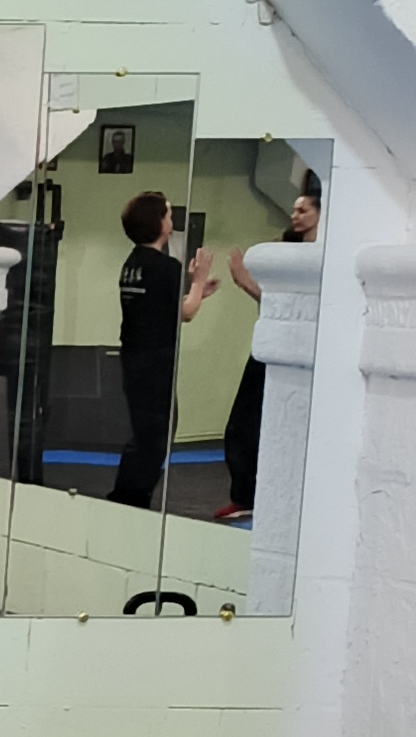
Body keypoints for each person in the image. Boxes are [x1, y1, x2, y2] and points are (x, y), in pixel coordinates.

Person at [215, 170, 322, 518]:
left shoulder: (322, 260)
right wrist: (247, 285)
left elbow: (299, 307)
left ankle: (272, 498)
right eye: (295, 209)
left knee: (281, 428)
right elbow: (277, 305)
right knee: (242, 425)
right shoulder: (289, 253)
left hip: (301, 349)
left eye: (303, 210)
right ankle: (246, 495)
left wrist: (247, 283)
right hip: (271, 347)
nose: (295, 215)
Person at [107, 186, 217, 511]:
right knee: (155, 438)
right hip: (155, 363)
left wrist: (197, 291)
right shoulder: (166, 267)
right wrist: (198, 281)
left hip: (134, 359)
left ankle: (126, 496)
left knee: (144, 434)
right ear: (159, 222)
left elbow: (162, 307)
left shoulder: (132, 264)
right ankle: (130, 498)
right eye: (168, 214)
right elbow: (186, 313)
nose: (172, 219)